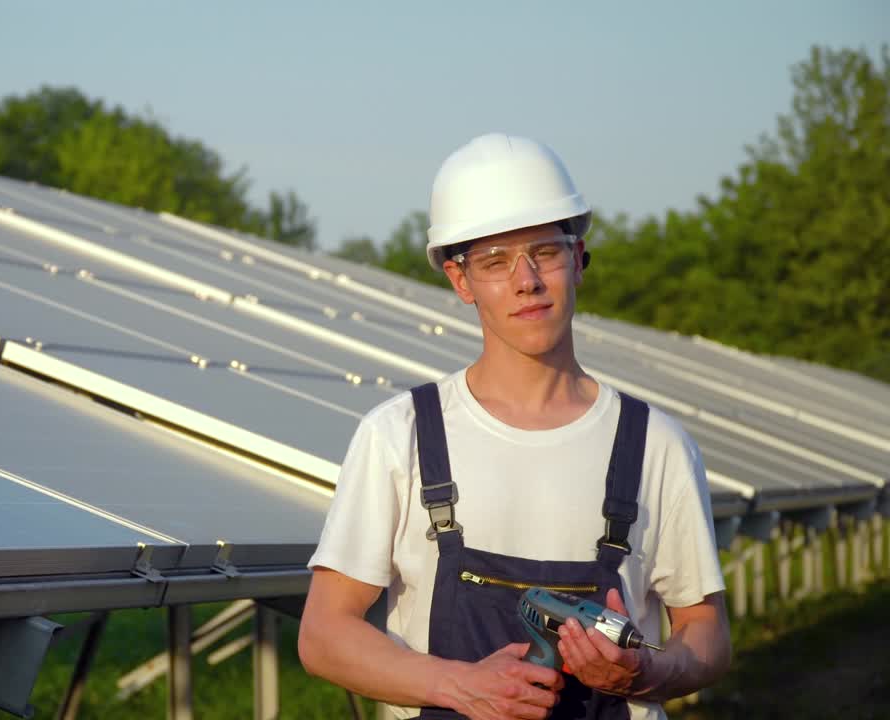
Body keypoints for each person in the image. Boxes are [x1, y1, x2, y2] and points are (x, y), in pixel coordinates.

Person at [298, 133, 731, 720]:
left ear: (577, 260)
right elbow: (323, 634)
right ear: (460, 281)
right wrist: (456, 685)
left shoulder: (655, 444)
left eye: (545, 252)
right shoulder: (401, 436)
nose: (526, 280)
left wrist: (646, 672)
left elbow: (705, 630)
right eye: (494, 262)